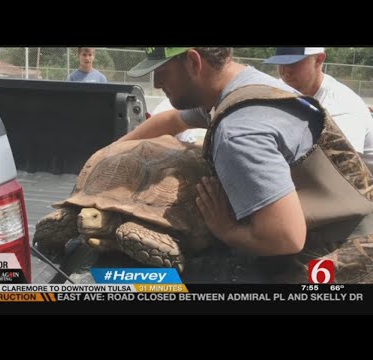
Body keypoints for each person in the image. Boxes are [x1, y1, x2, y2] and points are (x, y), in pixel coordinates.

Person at [123, 47, 373, 282]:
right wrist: (109, 151)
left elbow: (286, 238)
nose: (156, 82)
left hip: (344, 259)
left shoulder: (237, 132)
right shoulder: (251, 87)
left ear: (193, 62)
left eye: (162, 71)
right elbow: (172, 120)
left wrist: (227, 230)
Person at [263, 47, 373, 172]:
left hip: (356, 181)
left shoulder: (341, 105)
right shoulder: (283, 86)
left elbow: (340, 169)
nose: (285, 72)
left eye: (293, 63)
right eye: (280, 63)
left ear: (319, 60)